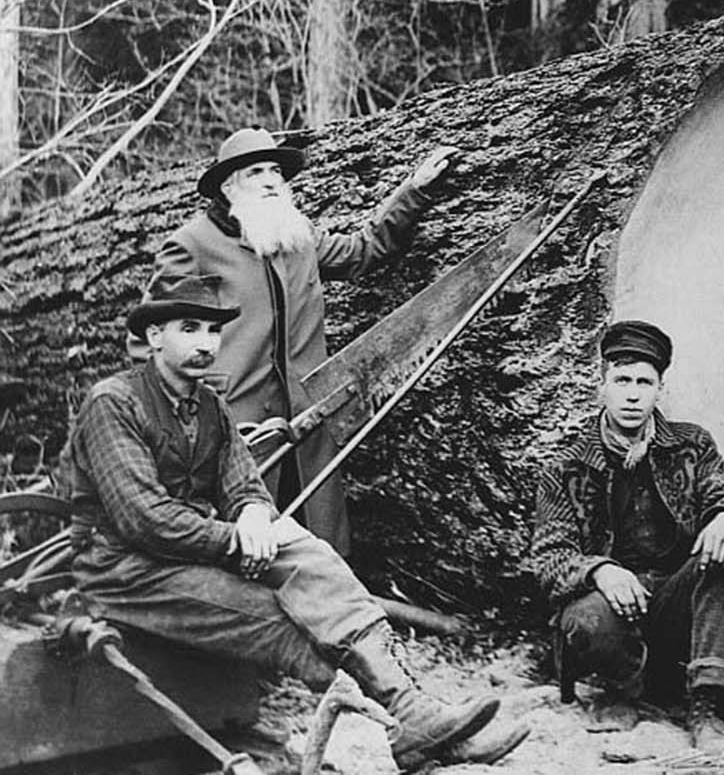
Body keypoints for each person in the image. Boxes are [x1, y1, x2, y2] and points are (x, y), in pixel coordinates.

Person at [62, 275, 524, 771]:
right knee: (280, 616)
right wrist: (236, 540)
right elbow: (144, 521)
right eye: (188, 329)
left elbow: (242, 486)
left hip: (189, 551)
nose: (204, 343)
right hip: (124, 572)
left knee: (310, 556)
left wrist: (256, 517)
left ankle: (412, 715)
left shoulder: (210, 407)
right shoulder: (114, 402)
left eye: (213, 332)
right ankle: (405, 729)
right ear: (155, 337)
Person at [142, 126, 455, 553]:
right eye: (257, 172)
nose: (272, 180)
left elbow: (364, 250)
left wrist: (413, 192)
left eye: (276, 170)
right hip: (234, 429)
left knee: (317, 544)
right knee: (238, 547)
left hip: (306, 424)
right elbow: (152, 340)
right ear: (229, 186)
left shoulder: (295, 234)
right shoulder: (192, 245)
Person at [524, 320, 724, 756]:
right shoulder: (566, 466)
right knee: (586, 616)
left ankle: (707, 703)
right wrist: (601, 570)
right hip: (612, 611)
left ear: (659, 390)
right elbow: (549, 560)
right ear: (603, 385)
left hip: (673, 602)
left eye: (644, 382)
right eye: (622, 380)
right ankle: (619, 692)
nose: (633, 394)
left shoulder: (691, 444)